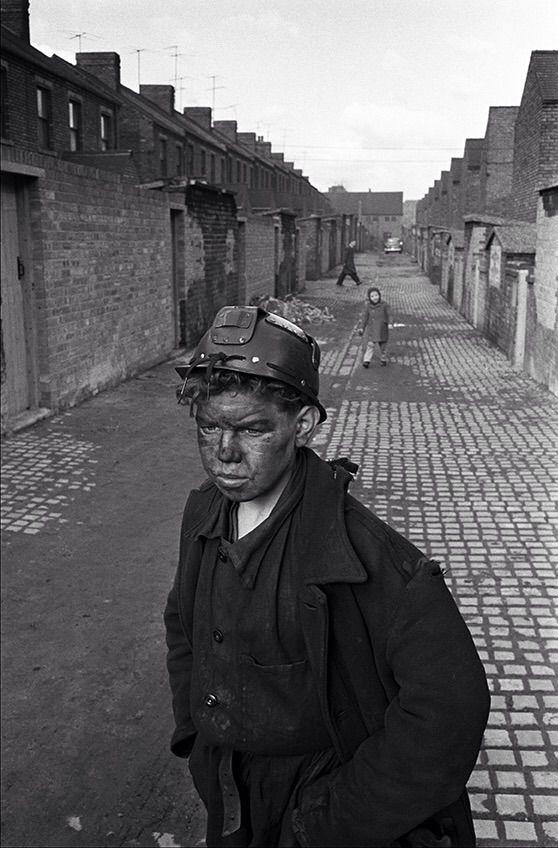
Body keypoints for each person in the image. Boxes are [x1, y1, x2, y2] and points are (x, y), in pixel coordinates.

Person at [165, 304, 490, 848]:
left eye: (251, 430)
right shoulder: (202, 512)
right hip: (229, 790)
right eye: (209, 427)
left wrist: (328, 821)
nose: (225, 453)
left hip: (320, 801)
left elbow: (448, 711)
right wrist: (196, 729)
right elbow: (182, 622)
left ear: (304, 424)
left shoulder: (371, 558)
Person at [358, 285, 389, 367]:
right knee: (370, 345)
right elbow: (364, 318)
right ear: (369, 297)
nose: (374, 297)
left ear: (379, 295)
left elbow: (389, 314)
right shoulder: (368, 306)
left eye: (376, 295)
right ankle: (366, 361)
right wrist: (362, 328)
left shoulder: (384, 305)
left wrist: (390, 323)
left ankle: (383, 358)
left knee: (383, 346)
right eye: (372, 296)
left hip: (382, 329)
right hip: (372, 329)